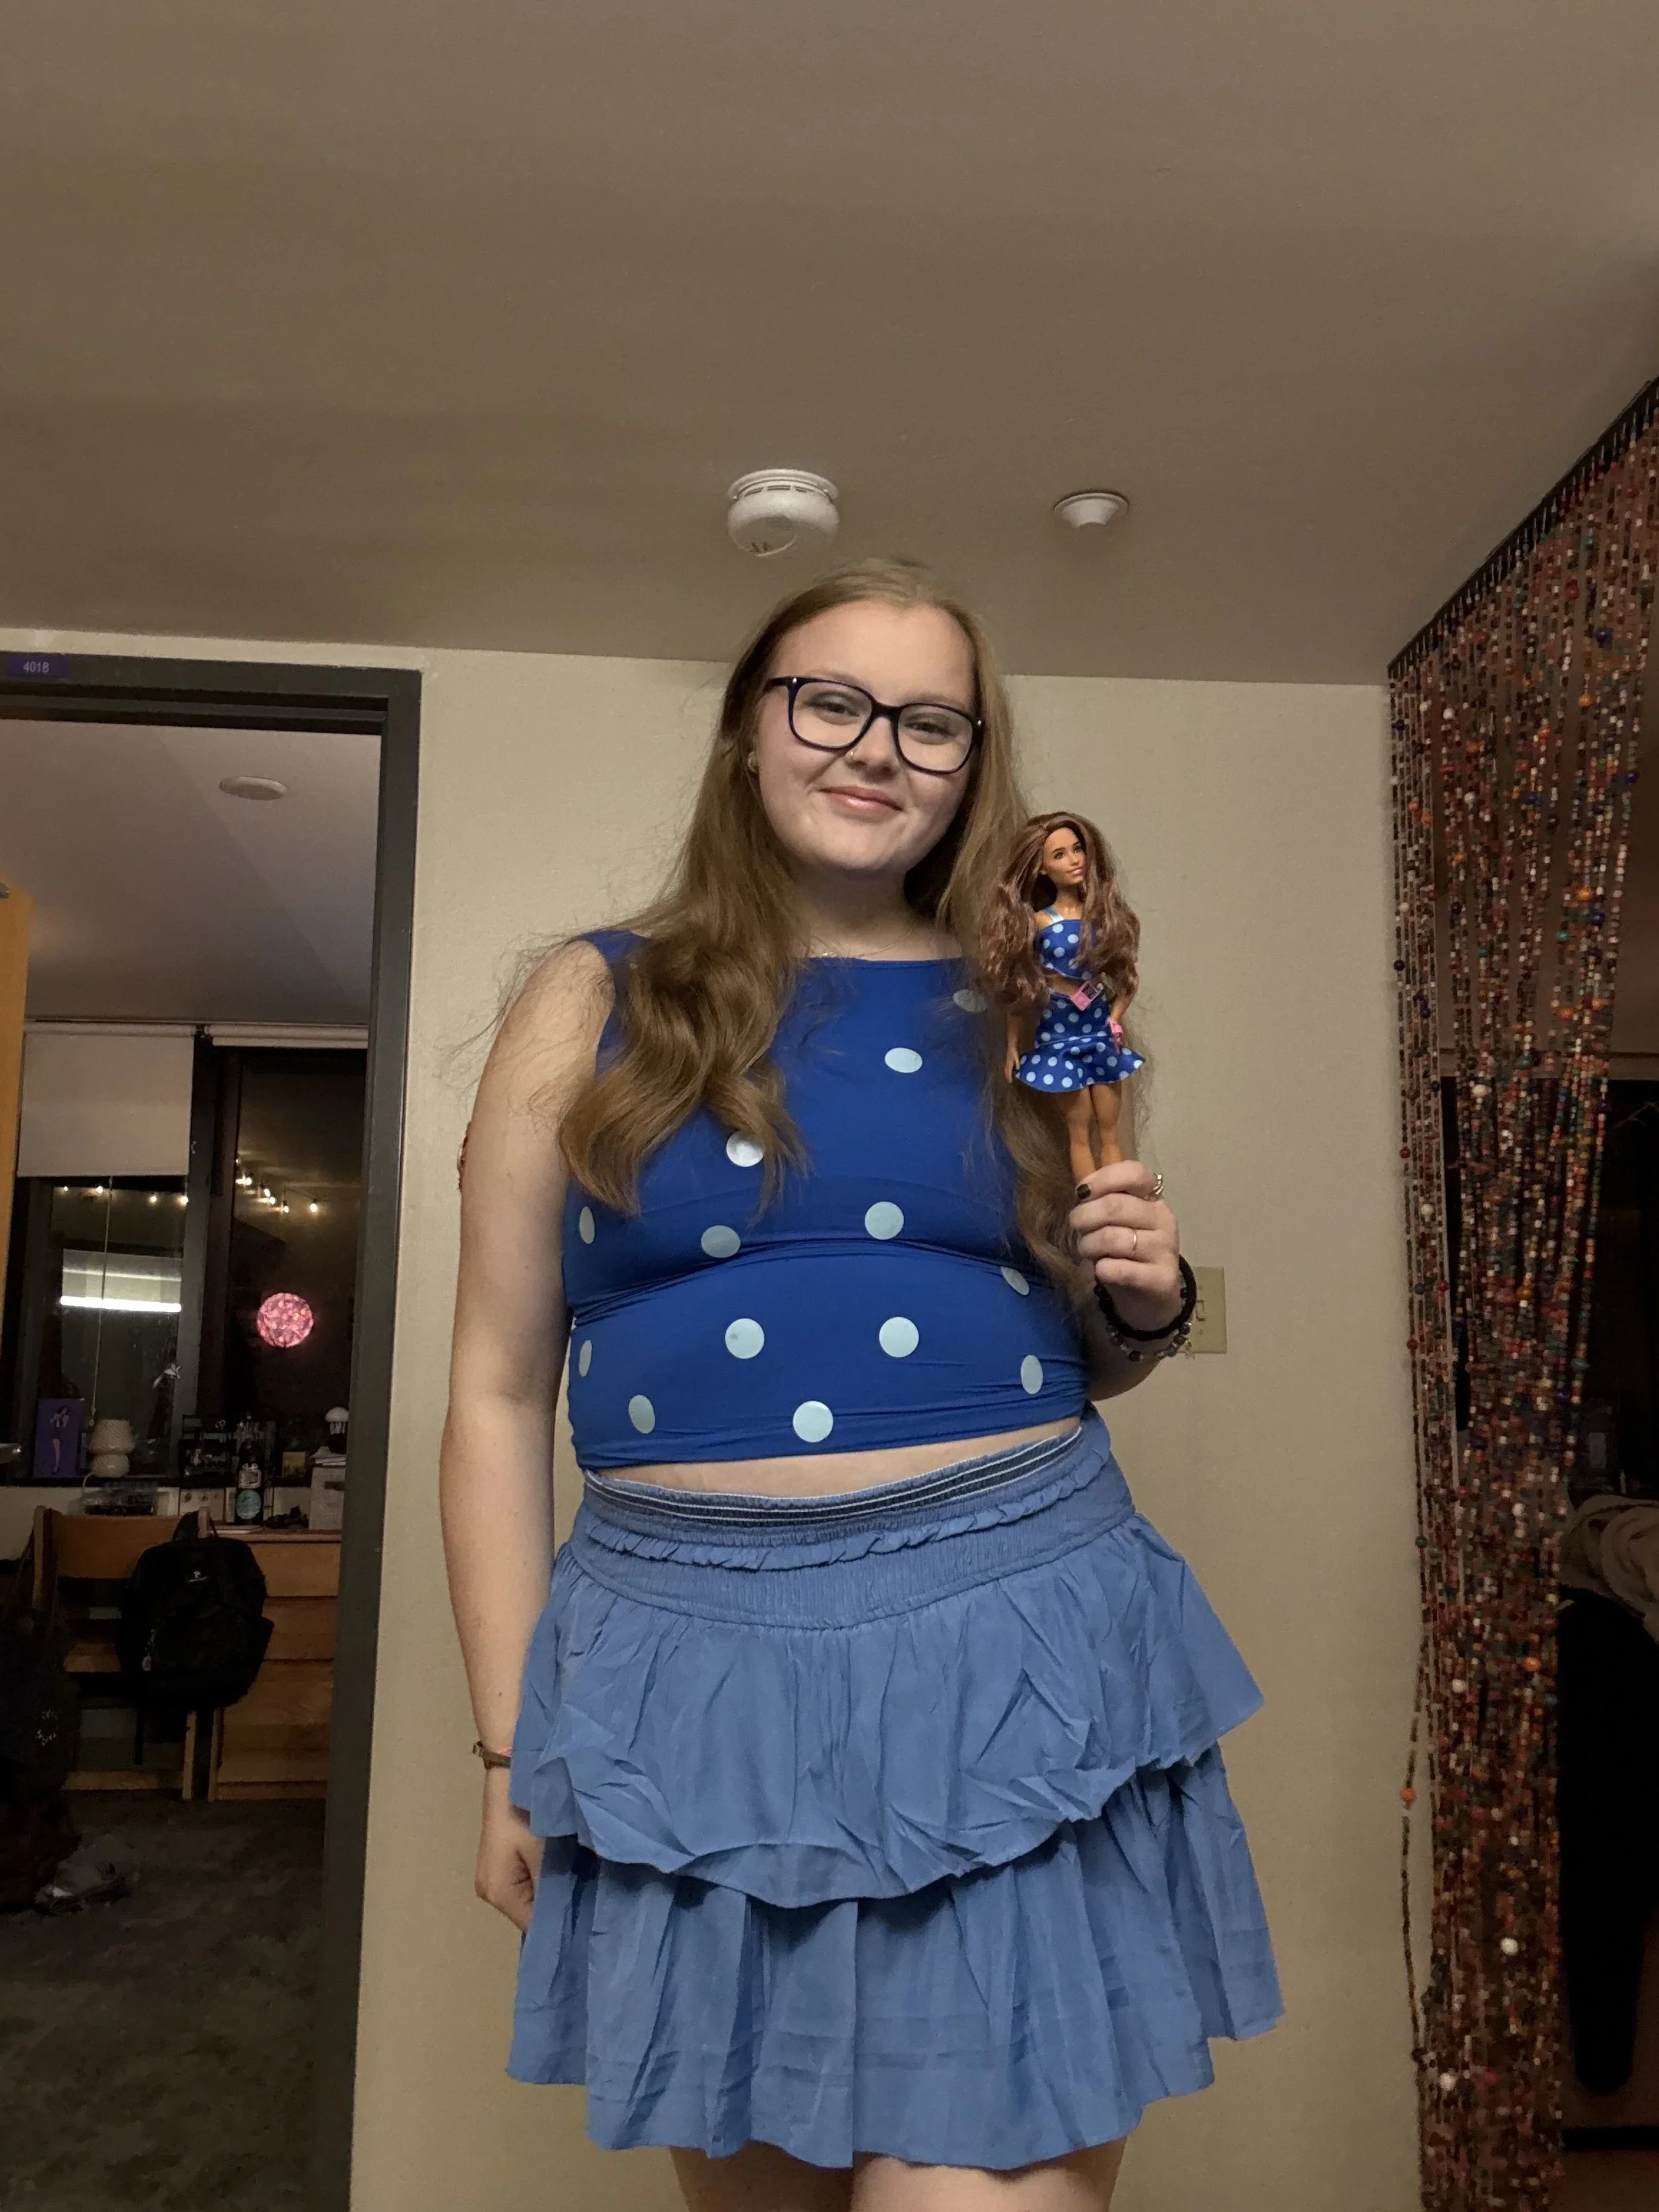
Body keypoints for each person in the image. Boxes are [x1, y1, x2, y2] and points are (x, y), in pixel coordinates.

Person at [441, 557, 1280, 2212]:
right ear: (748, 730)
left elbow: (1090, 1353)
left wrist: (1147, 1297)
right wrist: (509, 1751)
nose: (877, 746)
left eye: (930, 722)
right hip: (686, 1692)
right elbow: (491, 1391)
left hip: (1011, 1660)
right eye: (830, 701)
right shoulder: (591, 994)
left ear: (972, 763)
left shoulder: (1031, 1008)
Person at [983, 812, 1145, 1182]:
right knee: (1079, 1129)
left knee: (1109, 1128)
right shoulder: (1039, 922)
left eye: (1077, 849)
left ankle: (1114, 1197)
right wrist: (1012, 1044)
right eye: (1059, 855)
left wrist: (1115, 1018)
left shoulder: (1101, 918)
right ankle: (1089, 1199)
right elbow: (1019, 989)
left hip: (1099, 1035)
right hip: (1057, 1037)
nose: (1074, 860)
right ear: (1041, 869)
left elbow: (1127, 980)